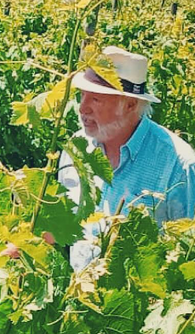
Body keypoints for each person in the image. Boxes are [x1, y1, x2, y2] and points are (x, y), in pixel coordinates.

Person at [59, 46, 195, 269]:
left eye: (96, 99)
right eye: (82, 95)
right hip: (78, 298)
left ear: (130, 104)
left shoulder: (179, 165)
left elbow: (189, 254)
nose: (82, 108)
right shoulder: (76, 149)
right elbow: (66, 224)